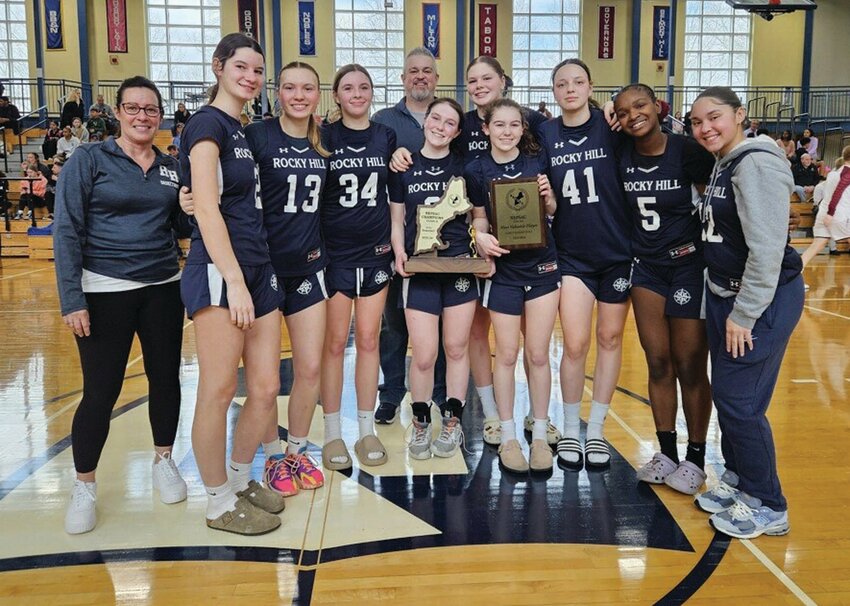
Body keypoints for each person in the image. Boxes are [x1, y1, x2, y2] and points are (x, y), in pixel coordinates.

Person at [53, 76, 190, 535]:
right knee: (100, 392)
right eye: (133, 108)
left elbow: (178, 225)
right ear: (116, 112)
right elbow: (67, 230)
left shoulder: (171, 167)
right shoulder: (89, 159)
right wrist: (72, 298)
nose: (142, 116)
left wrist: (187, 209)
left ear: (160, 114)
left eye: (151, 109)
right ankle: (84, 485)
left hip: (163, 287)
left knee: (165, 379)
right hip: (104, 290)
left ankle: (164, 460)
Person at [179, 33, 285, 536]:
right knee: (219, 389)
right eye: (241, 66)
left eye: (258, 70)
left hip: (260, 270)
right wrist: (234, 281)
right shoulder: (205, 123)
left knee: (264, 389)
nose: (250, 76)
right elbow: (204, 205)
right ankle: (217, 500)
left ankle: (240, 480)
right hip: (224, 272)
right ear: (218, 66)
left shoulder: (241, 129)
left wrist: (253, 277)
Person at [690, 87, 804, 539]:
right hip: (726, 295)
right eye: (697, 122)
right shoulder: (727, 162)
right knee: (728, 396)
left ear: (740, 115)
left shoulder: (756, 161)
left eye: (714, 117)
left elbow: (768, 249)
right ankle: (739, 480)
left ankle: (769, 504)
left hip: (760, 300)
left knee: (740, 403)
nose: (705, 128)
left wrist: (745, 313)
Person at [614, 84, 714, 494]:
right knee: (658, 362)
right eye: (623, 111)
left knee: (689, 363)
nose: (633, 114)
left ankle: (696, 458)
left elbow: (717, 201)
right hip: (647, 268)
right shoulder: (621, 153)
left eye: (640, 105)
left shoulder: (687, 151)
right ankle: (666, 452)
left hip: (689, 264)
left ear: (657, 107)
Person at [538, 59, 632, 470]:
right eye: (562, 84)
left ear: (591, 87)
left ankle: (596, 429)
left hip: (617, 253)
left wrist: (617, 107)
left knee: (610, 339)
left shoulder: (611, 127)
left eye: (578, 81)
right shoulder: (545, 134)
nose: (570, 89)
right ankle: (570, 428)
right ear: (554, 92)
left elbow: (648, 115)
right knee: (575, 344)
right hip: (573, 255)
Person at [244, 61, 328, 497]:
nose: (299, 95)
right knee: (267, 378)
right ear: (277, 93)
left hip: (309, 266)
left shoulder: (324, 141)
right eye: (290, 87)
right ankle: (273, 455)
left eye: (308, 87)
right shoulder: (257, 137)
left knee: (310, 368)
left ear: (318, 93)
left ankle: (296, 450)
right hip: (264, 269)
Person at [466, 98, 560, 473]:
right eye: (499, 125)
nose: (507, 132)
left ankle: (539, 435)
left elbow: (551, 210)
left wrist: (549, 197)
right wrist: (480, 238)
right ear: (486, 129)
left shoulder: (537, 163)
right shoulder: (475, 170)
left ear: (523, 129)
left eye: (514, 125)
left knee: (537, 354)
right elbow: (478, 219)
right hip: (503, 273)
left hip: (542, 267)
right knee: (505, 354)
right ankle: (507, 436)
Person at [389, 97, 476, 460]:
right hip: (420, 270)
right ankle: (421, 423)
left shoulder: (466, 168)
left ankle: (453, 424)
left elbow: (478, 218)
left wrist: (482, 242)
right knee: (423, 354)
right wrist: (398, 254)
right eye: (435, 119)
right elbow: (396, 221)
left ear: (457, 132)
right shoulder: (404, 165)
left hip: (458, 269)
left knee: (456, 349)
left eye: (449, 123)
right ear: (425, 122)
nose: (440, 127)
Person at [319, 64, 395, 470]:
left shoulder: (385, 135)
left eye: (364, 86)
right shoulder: (324, 137)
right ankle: (333, 434)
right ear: (337, 95)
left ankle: (367, 429)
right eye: (348, 87)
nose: (357, 93)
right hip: (335, 256)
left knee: (368, 341)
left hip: (375, 253)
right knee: (334, 344)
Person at [372, 47, 447, 424]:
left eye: (427, 71)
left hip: (445, 245)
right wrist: (390, 158)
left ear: (436, 78)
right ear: (403, 78)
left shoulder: (453, 117)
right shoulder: (384, 121)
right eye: (413, 71)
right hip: (398, 237)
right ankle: (392, 392)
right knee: (394, 324)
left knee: (442, 324)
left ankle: (439, 392)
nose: (420, 76)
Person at [801, 147, 850, 266]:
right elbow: (838, 192)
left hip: (824, 213)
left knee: (817, 245)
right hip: (836, 214)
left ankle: (793, 275)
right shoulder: (847, 172)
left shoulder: (833, 173)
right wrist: (831, 213)